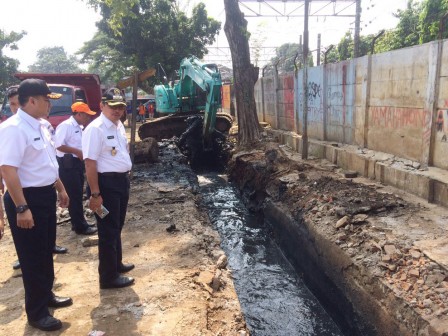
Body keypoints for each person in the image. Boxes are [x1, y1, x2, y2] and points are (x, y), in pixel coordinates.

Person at [0, 79, 73, 331]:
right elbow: (8, 171)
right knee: (31, 257)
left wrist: (60, 188)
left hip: (44, 195)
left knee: (45, 251)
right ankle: (37, 312)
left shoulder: (41, 125)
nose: (50, 105)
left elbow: (47, 162)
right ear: (31, 100)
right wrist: (22, 207)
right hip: (26, 198)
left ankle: (47, 294)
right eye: (46, 100)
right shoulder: (13, 128)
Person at [82, 88, 135, 289]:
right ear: (102, 105)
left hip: (120, 182)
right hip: (104, 186)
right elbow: (90, 164)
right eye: (113, 106)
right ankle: (108, 277)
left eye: (121, 106)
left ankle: (116, 264)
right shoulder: (95, 129)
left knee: (117, 226)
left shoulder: (118, 125)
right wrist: (95, 194)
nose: (117, 110)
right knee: (107, 230)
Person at [55, 102, 98, 235]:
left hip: (76, 164)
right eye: (86, 115)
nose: (88, 118)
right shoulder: (66, 126)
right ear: (79, 114)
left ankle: (78, 222)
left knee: (78, 194)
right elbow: (58, 145)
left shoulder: (78, 127)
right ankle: (80, 226)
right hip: (68, 165)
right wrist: (77, 152)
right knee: (74, 195)